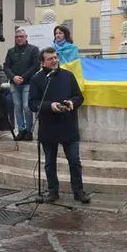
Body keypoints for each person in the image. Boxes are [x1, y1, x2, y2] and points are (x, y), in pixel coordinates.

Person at [28, 47, 91, 204]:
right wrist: (50, 106)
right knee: (50, 163)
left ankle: (78, 191)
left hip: (68, 125)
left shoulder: (68, 76)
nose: (55, 60)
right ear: (43, 62)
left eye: (56, 57)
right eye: (50, 59)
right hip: (48, 127)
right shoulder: (37, 79)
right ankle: (52, 191)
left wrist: (71, 102)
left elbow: (79, 97)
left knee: (75, 161)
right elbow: (32, 104)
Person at [3, 28, 40, 141]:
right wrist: (13, 77)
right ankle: (21, 130)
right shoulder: (10, 51)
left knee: (26, 107)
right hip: (14, 83)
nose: (19, 39)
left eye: (21, 37)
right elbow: (6, 66)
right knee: (17, 107)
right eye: (17, 37)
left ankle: (29, 131)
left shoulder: (33, 49)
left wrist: (23, 77)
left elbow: (35, 66)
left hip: (28, 83)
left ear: (26, 37)